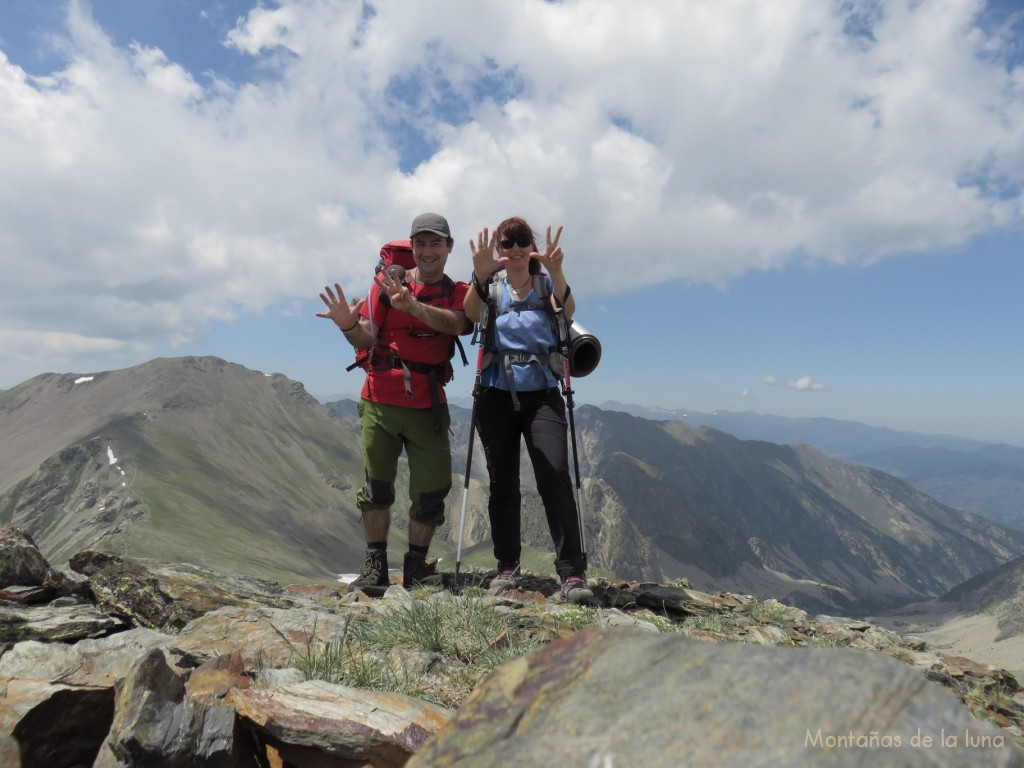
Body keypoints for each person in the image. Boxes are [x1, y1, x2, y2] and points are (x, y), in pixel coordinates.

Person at [317, 213, 471, 595]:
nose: (427, 251)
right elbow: (365, 340)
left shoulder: (458, 291)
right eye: (420, 244)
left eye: (436, 243)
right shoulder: (387, 285)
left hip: (428, 404)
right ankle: (375, 566)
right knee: (376, 489)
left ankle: (416, 566)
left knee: (431, 491)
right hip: (379, 402)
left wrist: (414, 308)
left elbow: (459, 324)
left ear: (449, 247)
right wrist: (347, 326)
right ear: (412, 247)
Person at [463, 216, 594, 604]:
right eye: (507, 243)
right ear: (499, 250)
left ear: (530, 246)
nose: (515, 249)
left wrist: (556, 270)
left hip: (542, 394)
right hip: (495, 394)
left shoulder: (544, 283)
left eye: (521, 241)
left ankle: (571, 572)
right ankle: (507, 567)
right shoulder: (492, 285)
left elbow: (566, 310)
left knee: (553, 474)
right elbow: (471, 314)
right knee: (503, 482)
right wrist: (479, 275)